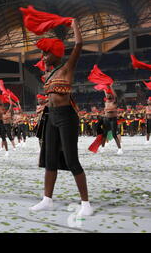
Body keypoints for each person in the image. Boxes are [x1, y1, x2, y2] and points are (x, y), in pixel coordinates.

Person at [29, 19, 93, 217]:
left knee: (72, 160)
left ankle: (86, 203)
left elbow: (79, 45)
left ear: (55, 54)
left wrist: (74, 25)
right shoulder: (48, 75)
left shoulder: (66, 68)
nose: (43, 57)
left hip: (67, 117)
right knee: (50, 160)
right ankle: (47, 200)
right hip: (52, 117)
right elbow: (52, 98)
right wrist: (43, 110)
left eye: (46, 53)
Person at [101, 87, 122, 154]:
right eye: (107, 95)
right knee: (104, 134)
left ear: (112, 96)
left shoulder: (114, 102)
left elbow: (115, 96)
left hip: (113, 119)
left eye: (109, 95)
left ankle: (119, 149)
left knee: (114, 134)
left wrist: (111, 87)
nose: (108, 95)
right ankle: (102, 148)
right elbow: (105, 93)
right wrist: (104, 88)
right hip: (106, 119)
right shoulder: (106, 102)